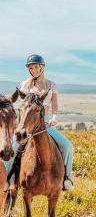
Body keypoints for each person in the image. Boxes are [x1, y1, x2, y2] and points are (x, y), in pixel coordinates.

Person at [18, 54, 74, 190]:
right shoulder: (24, 85)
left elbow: (54, 105)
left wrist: (54, 117)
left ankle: (66, 179)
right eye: (31, 68)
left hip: (45, 123)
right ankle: (7, 178)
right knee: (12, 148)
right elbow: (23, 108)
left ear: (42, 67)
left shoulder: (51, 85)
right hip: (27, 124)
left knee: (67, 146)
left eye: (36, 67)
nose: (34, 70)